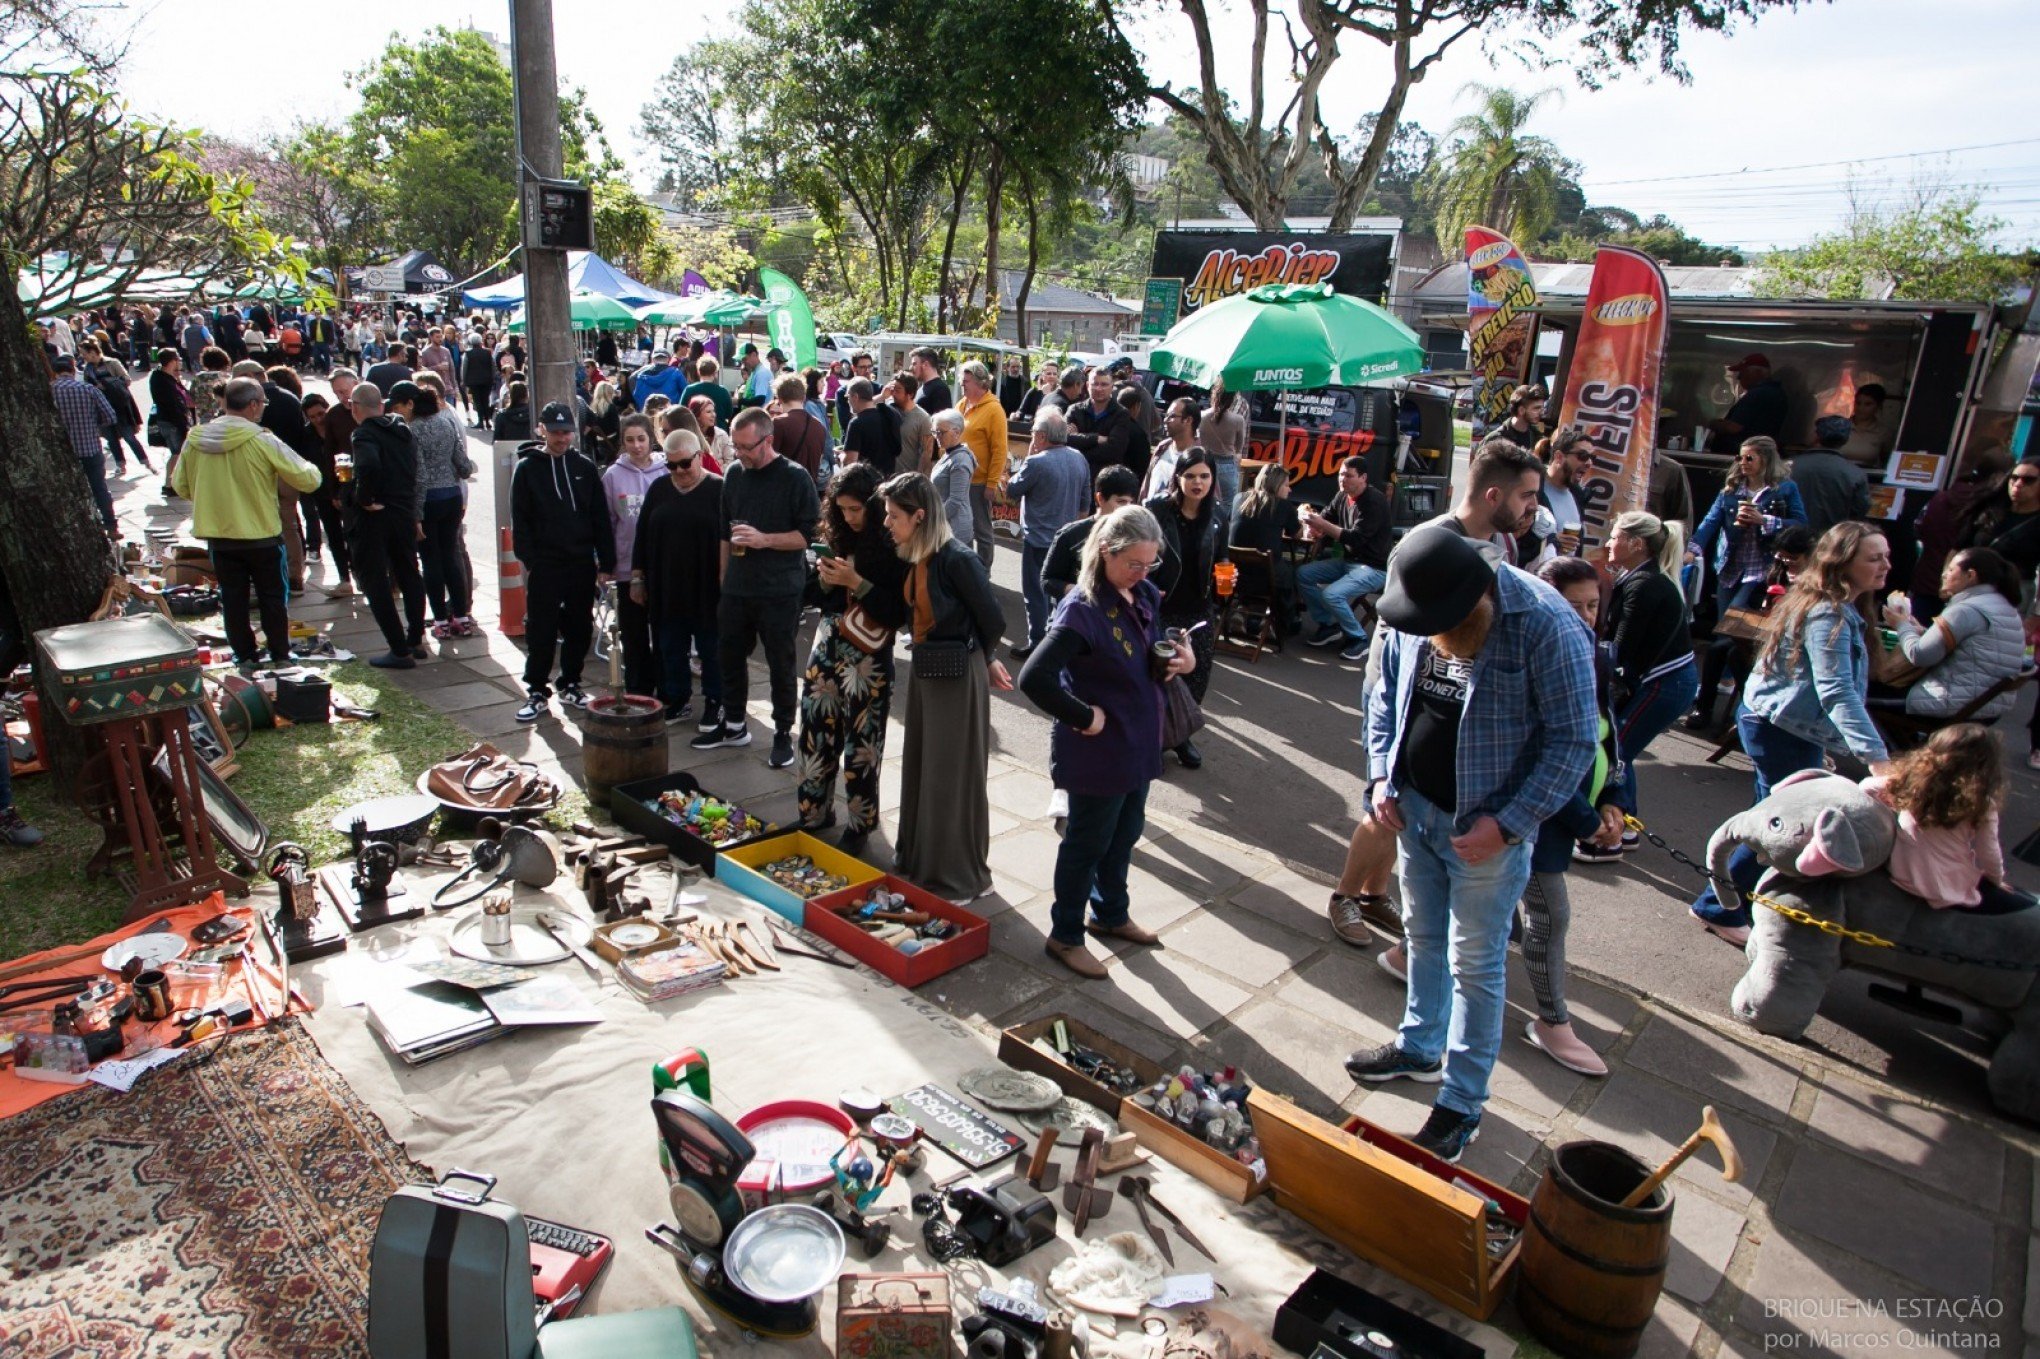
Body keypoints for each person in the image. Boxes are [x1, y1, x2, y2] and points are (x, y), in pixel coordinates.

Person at [1348, 527, 1598, 1162]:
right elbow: (1386, 700)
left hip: (1485, 832)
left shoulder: (1546, 624)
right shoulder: (1420, 602)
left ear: (1478, 595)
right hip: (1415, 812)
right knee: (1422, 939)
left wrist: (1509, 823)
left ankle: (1462, 1103)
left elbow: (1572, 743)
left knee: (1476, 967)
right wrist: (1381, 775)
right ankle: (1420, 1045)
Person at [1690, 522, 1893, 945]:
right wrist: (1878, 760)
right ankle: (1719, 908)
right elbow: (1837, 691)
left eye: (1885, 556)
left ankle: (1726, 904)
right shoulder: (1827, 613)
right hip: (1779, 727)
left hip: (1784, 725)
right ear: (1842, 562)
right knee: (1776, 824)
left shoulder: (1841, 608)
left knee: (1769, 816)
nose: (1886, 565)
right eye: (1874, 557)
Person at [1019, 504, 1193, 978]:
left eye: (1149, 563)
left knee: (1124, 834)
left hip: (1138, 741)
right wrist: (1082, 716)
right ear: (1105, 551)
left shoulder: (1143, 593)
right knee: (1086, 843)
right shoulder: (1082, 609)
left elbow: (1154, 643)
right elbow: (1034, 678)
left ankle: (1111, 913)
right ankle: (1065, 935)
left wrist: (1181, 658)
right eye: (1133, 563)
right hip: (1098, 750)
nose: (1142, 573)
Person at [883, 471, 1011, 902]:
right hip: (932, 673)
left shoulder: (956, 558)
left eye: (894, 516)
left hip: (955, 676)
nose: (888, 523)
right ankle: (927, 865)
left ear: (919, 516)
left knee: (949, 777)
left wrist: (985, 656)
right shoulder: (920, 554)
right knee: (926, 768)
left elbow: (992, 619)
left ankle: (958, 877)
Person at [694, 408, 820, 767]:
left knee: (781, 663)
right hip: (737, 587)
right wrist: (723, 575)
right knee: (728, 656)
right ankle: (734, 724)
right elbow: (723, 529)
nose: (739, 454)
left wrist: (764, 540)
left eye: (746, 447)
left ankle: (783, 732)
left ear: (768, 441)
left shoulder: (796, 479)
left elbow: (806, 537)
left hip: (779, 589)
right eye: (735, 446)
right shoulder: (734, 473)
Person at [797, 464, 911, 854]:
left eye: (856, 509)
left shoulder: (894, 543)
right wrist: (826, 580)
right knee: (814, 730)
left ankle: (859, 825)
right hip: (828, 642)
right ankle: (814, 812)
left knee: (862, 745)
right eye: (842, 509)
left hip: (869, 654)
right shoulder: (836, 533)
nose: (848, 517)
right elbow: (810, 594)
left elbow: (900, 614)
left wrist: (856, 583)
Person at [172, 377, 322, 671]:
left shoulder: (196, 438)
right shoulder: (261, 439)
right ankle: (279, 653)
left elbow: (180, 484)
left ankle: (245, 655)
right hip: (261, 534)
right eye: (262, 404)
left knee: (233, 599)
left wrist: (208, 495)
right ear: (253, 405)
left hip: (219, 535)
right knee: (273, 598)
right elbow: (308, 477)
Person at [1583, 510, 1698, 861]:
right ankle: (1627, 827)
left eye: (1615, 536)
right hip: (1664, 682)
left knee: (1614, 751)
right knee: (1621, 751)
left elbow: (1623, 647)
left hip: (1664, 685)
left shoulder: (1645, 584)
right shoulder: (1642, 578)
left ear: (1636, 543)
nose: (1609, 543)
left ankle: (1610, 836)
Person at [510, 402, 615, 720]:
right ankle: (537, 689)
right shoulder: (527, 469)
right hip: (546, 564)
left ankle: (571, 681)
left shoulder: (583, 466)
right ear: (541, 430)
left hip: (581, 562)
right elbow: (521, 520)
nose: (561, 438)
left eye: (566, 432)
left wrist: (605, 563)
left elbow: (599, 518)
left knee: (580, 627)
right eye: (555, 432)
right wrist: (530, 560)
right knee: (541, 628)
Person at [1863, 724, 2034, 914]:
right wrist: (1996, 880)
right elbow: (1988, 852)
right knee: (2021, 903)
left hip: (1902, 870)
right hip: (1945, 884)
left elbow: (1866, 787)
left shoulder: (1907, 782)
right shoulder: (1982, 803)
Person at [635, 431, 725, 731]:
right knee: (670, 646)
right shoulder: (660, 488)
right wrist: (638, 577)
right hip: (667, 585)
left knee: (711, 649)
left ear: (699, 456)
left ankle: (716, 701)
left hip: (707, 587)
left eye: (685, 464)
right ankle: (677, 699)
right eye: (671, 466)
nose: (679, 472)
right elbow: (642, 535)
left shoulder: (718, 489)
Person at [1877, 547, 2027, 726]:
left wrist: (1901, 625)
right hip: (1985, 706)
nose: (1944, 574)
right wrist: (1921, 632)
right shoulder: (2004, 606)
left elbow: (1920, 655)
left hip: (1948, 704)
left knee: (1865, 690)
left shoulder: (1965, 610)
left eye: (1950, 569)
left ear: (1970, 575)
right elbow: (1971, 650)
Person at [1146, 448, 1227, 768]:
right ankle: (1153, 737)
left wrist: (1227, 574)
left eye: (1204, 476)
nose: (1197, 482)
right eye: (1190, 475)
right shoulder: (1156, 510)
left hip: (1199, 608)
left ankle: (1180, 736)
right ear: (1177, 477)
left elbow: (1222, 558)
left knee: (1197, 674)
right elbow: (1139, 551)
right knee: (1158, 673)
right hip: (1160, 604)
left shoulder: (1219, 515)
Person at [345, 382, 428, 669]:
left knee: (375, 580)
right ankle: (415, 638)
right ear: (382, 404)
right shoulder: (402, 430)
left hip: (377, 514)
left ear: (355, 407)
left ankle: (399, 648)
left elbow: (368, 465)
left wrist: (364, 498)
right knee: (408, 572)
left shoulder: (364, 434)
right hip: (403, 510)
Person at [1688, 436, 1808, 621]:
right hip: (1730, 563)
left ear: (1766, 459)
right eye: (1739, 458)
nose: (1743, 463)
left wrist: (1765, 520)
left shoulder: (1784, 488)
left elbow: (1800, 524)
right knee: (1723, 620)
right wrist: (1693, 549)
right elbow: (1710, 521)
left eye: (1749, 458)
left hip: (1762, 563)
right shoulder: (1732, 489)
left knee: (1736, 616)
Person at [1005, 409, 1092, 660]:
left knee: (1035, 593)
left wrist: (1028, 459)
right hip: (1068, 539)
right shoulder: (1078, 457)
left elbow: (1013, 489)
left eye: (1033, 434)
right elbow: (1085, 499)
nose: (1032, 438)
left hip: (1038, 539)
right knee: (1060, 594)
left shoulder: (1037, 462)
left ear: (1042, 436)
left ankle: (1038, 644)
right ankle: (1056, 642)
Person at [1298, 455, 1392, 662]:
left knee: (1332, 594)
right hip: (1349, 562)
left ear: (1363, 478)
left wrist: (1322, 526)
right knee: (1303, 574)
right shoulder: (1342, 496)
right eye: (1341, 475)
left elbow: (1355, 539)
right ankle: (1328, 625)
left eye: (1349, 476)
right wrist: (1315, 528)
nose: (1343, 480)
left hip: (1374, 567)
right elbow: (1326, 516)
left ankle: (1358, 638)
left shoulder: (1373, 502)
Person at [603, 413, 665, 694]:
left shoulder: (665, 470)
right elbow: (607, 522)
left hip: (662, 568)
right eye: (630, 440)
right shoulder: (613, 476)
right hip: (627, 566)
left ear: (650, 439)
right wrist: (606, 563)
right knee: (634, 633)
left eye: (641, 439)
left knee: (664, 633)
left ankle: (666, 687)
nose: (637, 446)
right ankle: (638, 689)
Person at [1044, 466, 1142, 604]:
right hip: (1074, 616)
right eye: (1121, 502)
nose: (1127, 509)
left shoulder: (1137, 537)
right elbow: (1047, 580)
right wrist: (1079, 591)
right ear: (1100, 498)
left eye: (1131, 503)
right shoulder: (1071, 535)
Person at [48, 354, 118, 535]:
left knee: (65, 489)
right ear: (73, 370)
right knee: (99, 486)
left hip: (60, 452)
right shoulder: (88, 389)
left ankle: (73, 527)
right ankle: (110, 524)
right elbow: (110, 417)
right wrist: (92, 423)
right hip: (89, 447)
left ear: (55, 372)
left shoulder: (49, 391)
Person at [1955, 457, 2040, 603]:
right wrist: (1949, 578)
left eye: (2028, 480)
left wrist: (2036, 615)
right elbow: (1959, 548)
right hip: (1970, 587)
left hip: (2013, 595)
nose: (2018, 484)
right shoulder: (1990, 510)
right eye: (2014, 477)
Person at [1229, 461, 1300, 629]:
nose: (1289, 490)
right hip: (1267, 579)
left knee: (1260, 563)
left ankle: (1242, 608)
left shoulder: (1239, 498)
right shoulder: (1284, 506)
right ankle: (1280, 621)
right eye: (1286, 485)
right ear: (1276, 486)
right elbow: (1296, 534)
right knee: (1291, 571)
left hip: (1235, 575)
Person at [955, 361, 1007, 569]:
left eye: (965, 381)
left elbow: (999, 450)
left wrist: (991, 484)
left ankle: (983, 572)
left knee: (982, 530)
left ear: (980, 383)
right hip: (960, 478)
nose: (962, 384)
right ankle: (965, 570)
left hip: (979, 482)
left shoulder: (994, 410)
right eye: (961, 380)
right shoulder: (961, 404)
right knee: (961, 526)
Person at [315, 367, 360, 595]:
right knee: (349, 533)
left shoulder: (372, 408)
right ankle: (348, 577)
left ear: (356, 384)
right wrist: (334, 491)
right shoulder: (334, 415)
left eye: (345, 390)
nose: (343, 397)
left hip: (374, 482)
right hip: (347, 482)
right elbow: (330, 452)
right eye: (337, 393)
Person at [78, 339, 150, 475]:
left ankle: (145, 461)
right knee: (111, 438)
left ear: (93, 352)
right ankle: (120, 464)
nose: (83, 357)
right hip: (101, 407)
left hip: (120, 405)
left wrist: (108, 383)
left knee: (129, 436)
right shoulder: (88, 369)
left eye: (84, 353)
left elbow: (127, 379)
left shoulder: (112, 363)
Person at [1791, 415, 1872, 537]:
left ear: (1817, 436)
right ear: (1846, 439)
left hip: (1790, 538)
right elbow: (1860, 510)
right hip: (1830, 540)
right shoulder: (1855, 474)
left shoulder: (1789, 466)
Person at [1530, 426, 1595, 560]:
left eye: (1591, 457)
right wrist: (1552, 540)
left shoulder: (1577, 494)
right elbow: (1515, 536)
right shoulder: (1533, 488)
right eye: (1582, 456)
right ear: (1559, 457)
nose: (1589, 463)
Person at [1066, 367, 1137, 482]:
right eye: (1095, 384)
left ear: (1112, 386)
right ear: (1088, 385)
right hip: (1074, 476)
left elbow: (1115, 450)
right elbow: (1064, 439)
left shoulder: (1121, 414)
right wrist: (1095, 439)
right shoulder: (1075, 410)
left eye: (1104, 384)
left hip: (1104, 480)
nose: (1099, 388)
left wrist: (1079, 441)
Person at [1706, 353, 1787, 452]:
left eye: (1742, 372)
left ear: (1757, 372)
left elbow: (1734, 427)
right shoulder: (1776, 393)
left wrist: (1714, 423)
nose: (1739, 377)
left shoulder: (1758, 394)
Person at [1199, 377, 1248, 531]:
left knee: (1203, 499)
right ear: (1233, 398)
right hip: (1227, 465)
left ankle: (1204, 527)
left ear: (1214, 395)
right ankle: (1215, 529)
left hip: (1205, 464)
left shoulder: (1202, 416)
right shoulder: (1238, 420)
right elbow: (1239, 446)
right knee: (1226, 503)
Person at [928, 409, 977, 546]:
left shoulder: (960, 461)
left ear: (956, 432)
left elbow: (955, 501)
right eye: (935, 432)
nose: (937, 436)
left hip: (955, 531)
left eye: (941, 432)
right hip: (946, 527)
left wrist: (932, 519)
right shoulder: (950, 453)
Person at [148, 348, 193, 494]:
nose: (180, 362)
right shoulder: (161, 379)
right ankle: (170, 484)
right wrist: (182, 424)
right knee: (177, 453)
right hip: (171, 421)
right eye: (178, 359)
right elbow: (171, 404)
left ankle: (172, 483)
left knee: (178, 452)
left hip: (173, 420)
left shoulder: (166, 377)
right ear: (172, 361)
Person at [772, 373, 829, 481]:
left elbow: (768, 462)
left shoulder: (778, 423)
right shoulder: (819, 426)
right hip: (809, 491)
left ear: (779, 399)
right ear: (803, 397)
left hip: (785, 490)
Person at [840, 379, 901, 475]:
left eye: (848, 397)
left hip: (866, 484)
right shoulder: (890, 415)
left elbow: (850, 463)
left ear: (855, 397)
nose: (848, 401)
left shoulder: (856, 423)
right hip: (888, 483)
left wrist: (841, 456)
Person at [1144, 398, 1199, 500]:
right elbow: (1146, 485)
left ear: (1188, 420)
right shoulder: (1162, 448)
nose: (1165, 420)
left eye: (1172, 416)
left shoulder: (1200, 457)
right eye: (1166, 415)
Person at [890, 372, 933, 474]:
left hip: (907, 479)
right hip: (887, 479)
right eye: (892, 389)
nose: (893, 394)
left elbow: (927, 453)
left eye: (898, 390)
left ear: (910, 394)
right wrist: (882, 396)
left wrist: (918, 478)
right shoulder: (888, 411)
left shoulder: (923, 418)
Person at [1840, 382, 1890, 462]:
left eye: (1868, 404)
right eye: (1858, 403)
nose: (1861, 408)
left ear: (1878, 406)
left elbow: (1887, 461)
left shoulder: (1883, 432)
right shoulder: (1840, 426)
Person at [683, 355, 735, 426]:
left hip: (696, 430)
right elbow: (728, 414)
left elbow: (682, 411)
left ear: (698, 372)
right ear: (715, 373)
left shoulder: (689, 389)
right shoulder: (723, 391)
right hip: (718, 430)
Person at [688, 394, 736, 467]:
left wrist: (715, 469)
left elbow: (731, 462)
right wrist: (718, 463)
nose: (713, 415)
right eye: (708, 412)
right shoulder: (688, 437)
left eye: (713, 411)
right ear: (697, 415)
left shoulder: (721, 434)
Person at [461, 333, 497, 426]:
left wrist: (463, 380)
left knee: (478, 400)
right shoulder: (488, 352)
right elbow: (493, 366)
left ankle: (480, 421)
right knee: (486, 400)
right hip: (487, 380)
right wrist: (492, 378)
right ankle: (487, 421)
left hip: (474, 381)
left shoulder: (468, 354)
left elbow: (464, 368)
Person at [910, 346, 952, 415]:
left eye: (914, 364)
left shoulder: (940, 389)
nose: (910, 368)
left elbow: (943, 422)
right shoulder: (923, 387)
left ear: (925, 365)